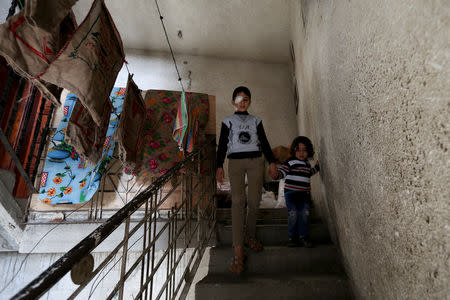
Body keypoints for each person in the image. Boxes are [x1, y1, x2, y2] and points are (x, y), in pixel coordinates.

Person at [216, 86, 278, 274]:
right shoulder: (227, 121)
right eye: (239, 99)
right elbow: (222, 146)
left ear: (249, 102)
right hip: (234, 163)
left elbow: (265, 142)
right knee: (237, 201)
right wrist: (219, 166)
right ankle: (238, 249)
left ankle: (250, 236)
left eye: (246, 99)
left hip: (255, 162)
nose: (242, 102)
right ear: (233, 101)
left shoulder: (256, 121)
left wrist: (272, 162)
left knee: (253, 200)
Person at [273, 136, 320, 248]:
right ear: (294, 150)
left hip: (304, 195)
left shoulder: (307, 164)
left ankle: (304, 237)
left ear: (308, 151)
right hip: (291, 194)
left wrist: (317, 168)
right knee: (293, 213)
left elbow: (308, 173)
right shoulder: (290, 161)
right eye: (298, 150)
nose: (301, 153)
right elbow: (283, 172)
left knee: (304, 213)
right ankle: (293, 238)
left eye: (304, 150)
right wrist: (277, 174)